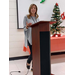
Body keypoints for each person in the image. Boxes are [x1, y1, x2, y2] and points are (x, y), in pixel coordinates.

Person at [23, 4, 39, 71]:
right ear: (30, 9)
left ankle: (33, 67)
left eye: (34, 8)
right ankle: (28, 61)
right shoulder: (26, 17)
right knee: (33, 53)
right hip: (30, 38)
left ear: (36, 10)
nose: (33, 9)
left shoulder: (37, 17)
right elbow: (24, 29)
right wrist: (27, 26)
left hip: (37, 38)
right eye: (32, 8)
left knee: (36, 53)